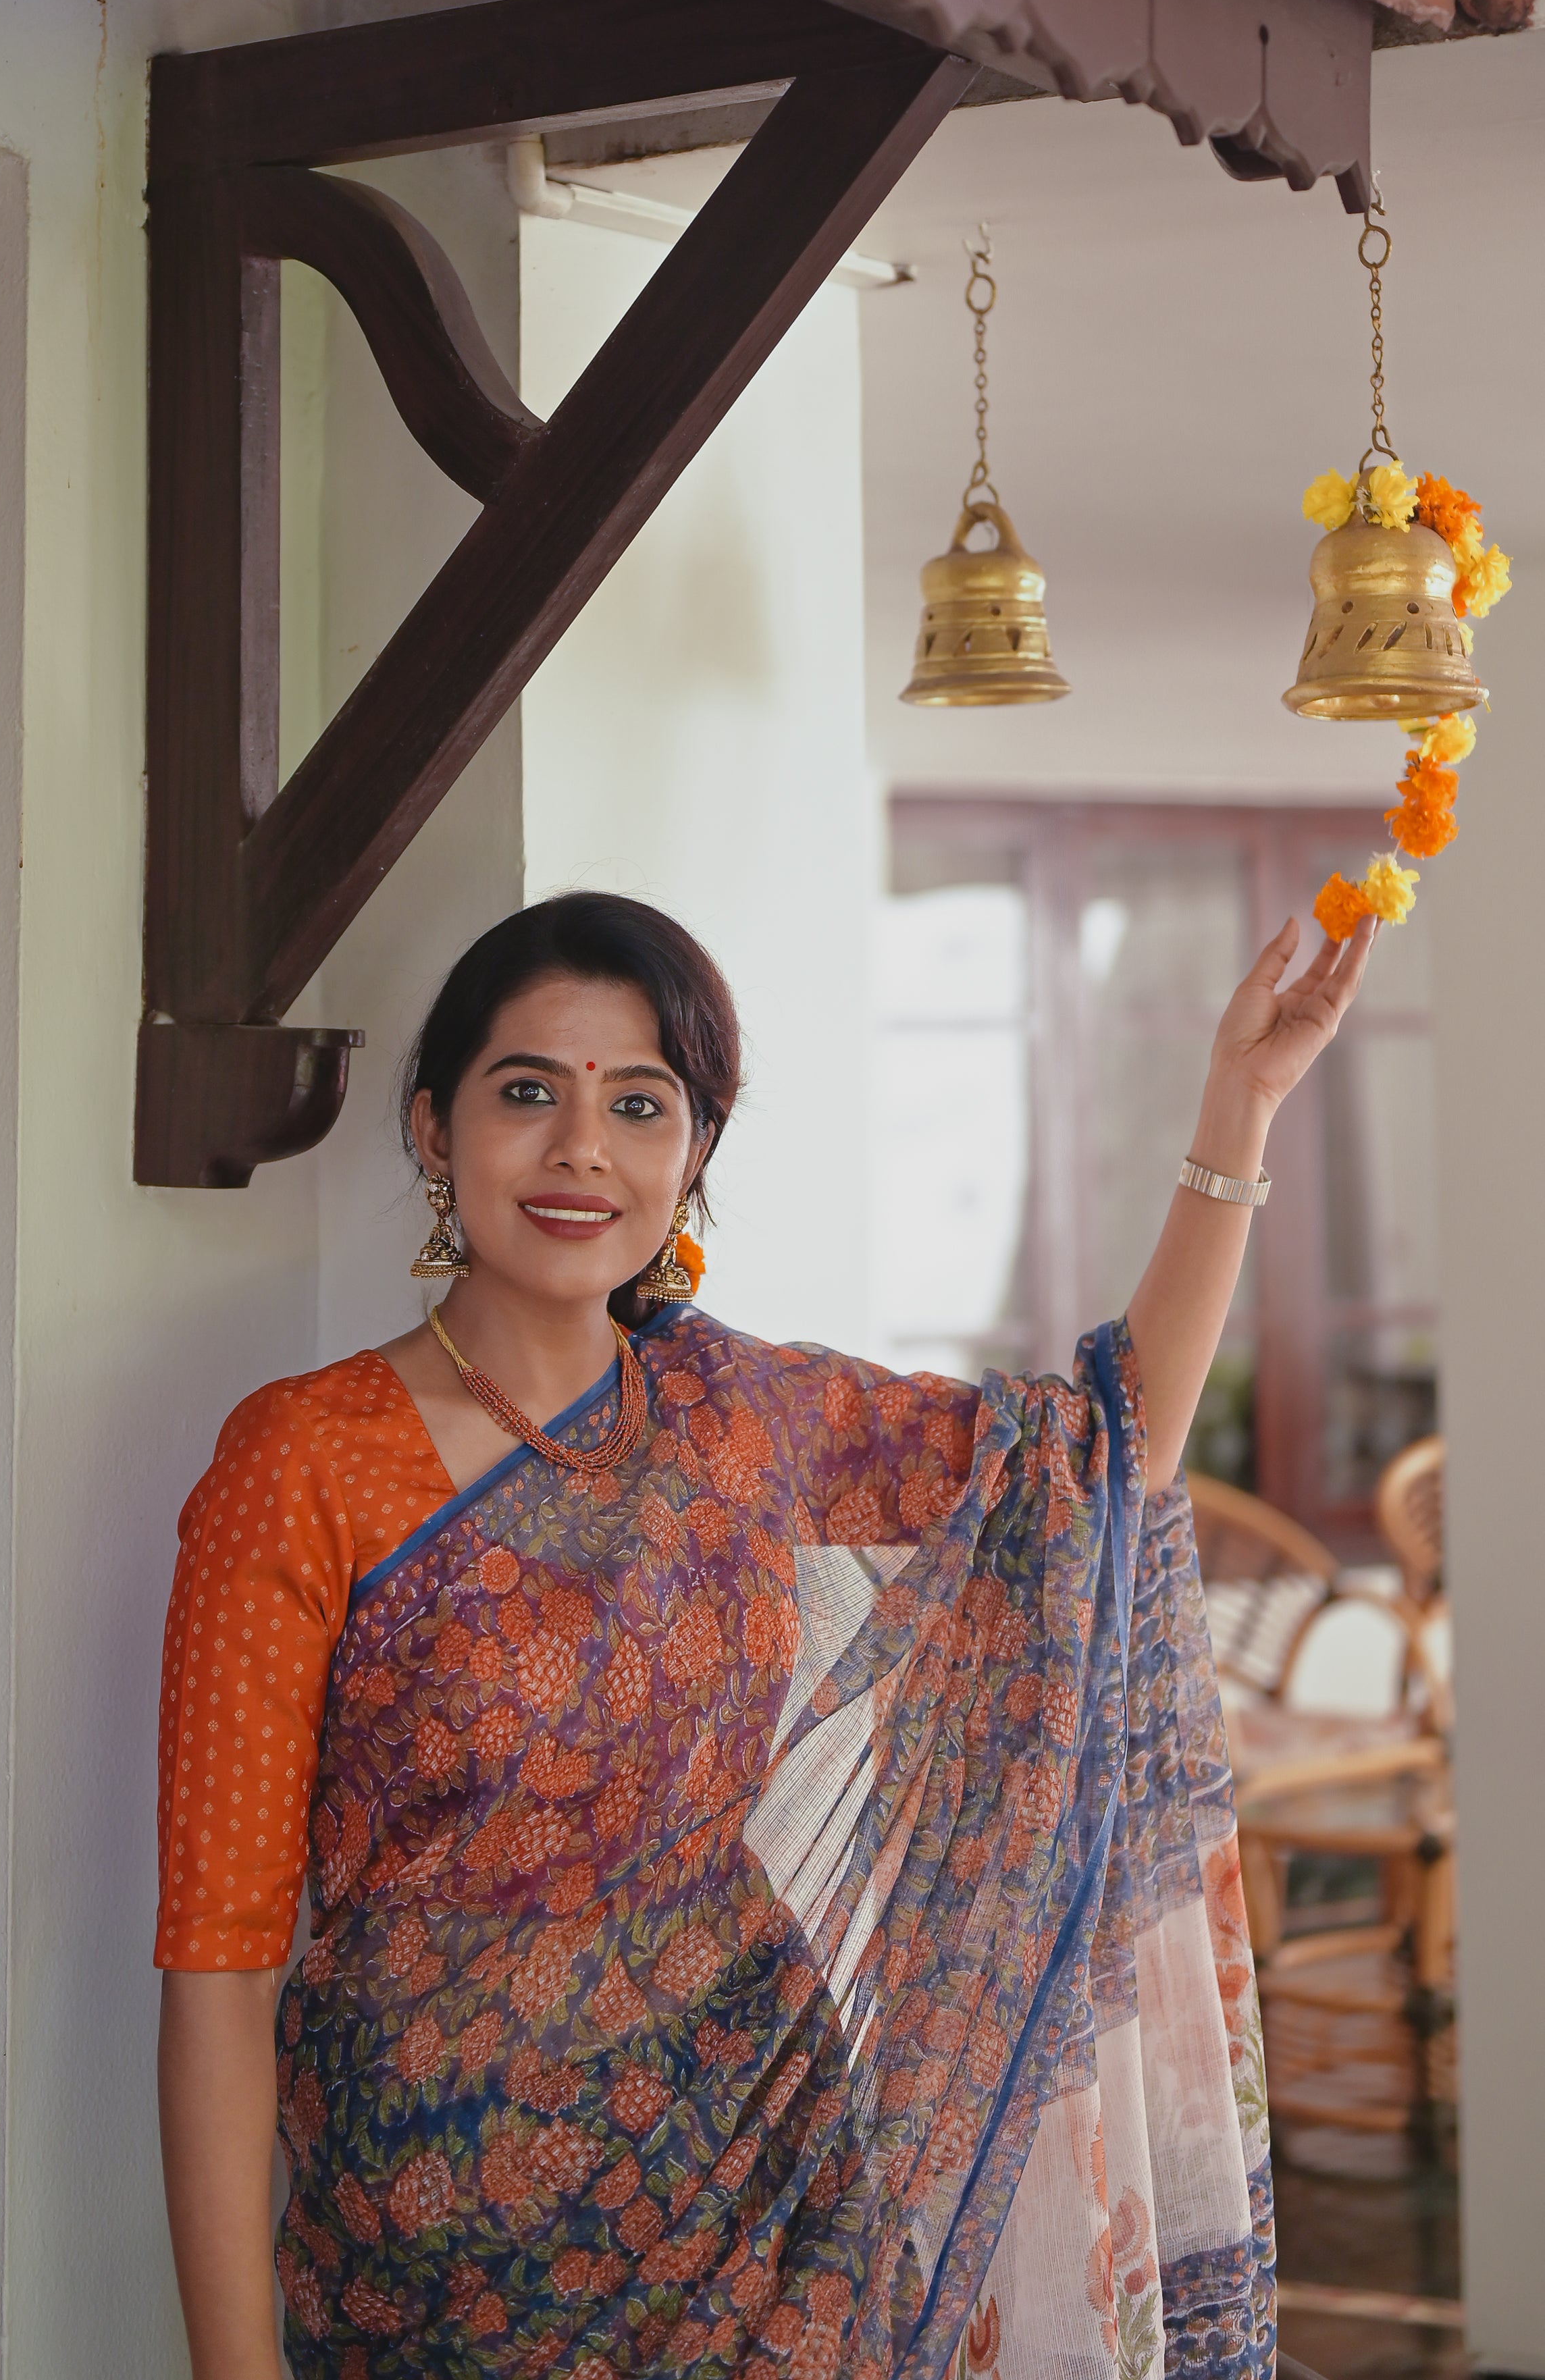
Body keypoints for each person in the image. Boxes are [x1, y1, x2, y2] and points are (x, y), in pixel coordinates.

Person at [155, 890, 1373, 2380]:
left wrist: (1235, 1111)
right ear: (431, 1129)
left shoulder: (746, 1419)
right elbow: (220, 1963)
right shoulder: (303, 1460)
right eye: (526, 1090)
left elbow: (1102, 1460)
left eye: (639, 1103)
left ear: (695, 1156)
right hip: (427, 2266)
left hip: (763, 2213)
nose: (580, 1148)